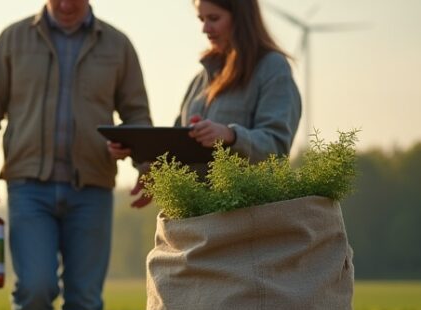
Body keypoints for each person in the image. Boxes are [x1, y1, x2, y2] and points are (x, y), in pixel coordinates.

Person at [0, 0, 151, 310]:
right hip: (28, 187)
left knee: (84, 297)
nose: (67, 4)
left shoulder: (117, 45)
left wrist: (146, 164)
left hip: (93, 188)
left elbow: (136, 114)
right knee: (35, 288)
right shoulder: (13, 40)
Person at [109, 0, 301, 185]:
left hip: (244, 213)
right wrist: (142, 160)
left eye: (214, 18)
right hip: (193, 213)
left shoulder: (272, 68)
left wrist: (230, 136)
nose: (205, 28)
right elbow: (176, 150)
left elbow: (277, 149)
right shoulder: (200, 81)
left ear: (242, 18)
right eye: (202, 19)